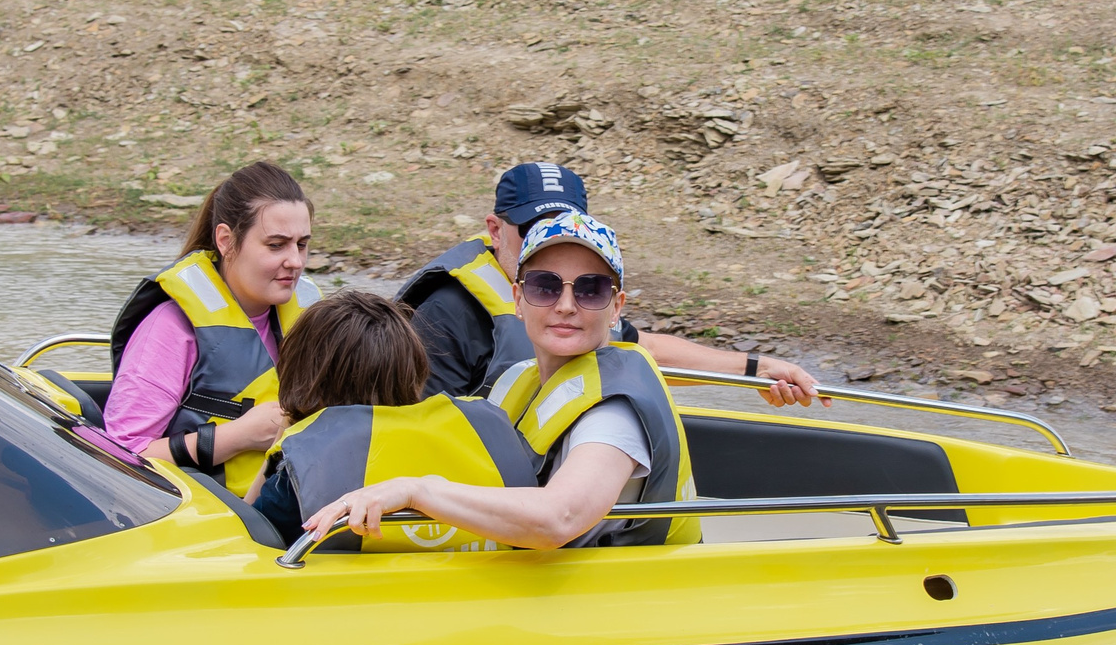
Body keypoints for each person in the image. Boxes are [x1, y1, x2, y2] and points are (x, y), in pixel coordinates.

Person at [304, 211, 696, 553]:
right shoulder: (516, 379)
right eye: (545, 286)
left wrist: (416, 491)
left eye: (590, 290)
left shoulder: (614, 413)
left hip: (621, 598)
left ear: (616, 308)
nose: (564, 305)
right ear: (518, 298)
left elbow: (558, 517)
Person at [400, 161, 823, 406]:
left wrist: (755, 369)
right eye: (532, 228)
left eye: (562, 227)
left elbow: (637, 348)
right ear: (495, 229)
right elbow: (421, 427)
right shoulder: (445, 313)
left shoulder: (581, 291)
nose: (546, 242)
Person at [250, 288, 537, 550]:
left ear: (304, 381)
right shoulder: (490, 435)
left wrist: (283, 439)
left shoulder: (300, 473)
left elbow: (246, 537)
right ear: (414, 372)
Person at [105, 160, 319, 496]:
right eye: (276, 245)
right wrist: (237, 437)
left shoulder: (314, 321)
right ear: (225, 240)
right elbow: (118, 456)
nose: (295, 261)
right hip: (206, 520)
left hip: (297, 513)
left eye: (302, 244)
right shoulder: (170, 329)